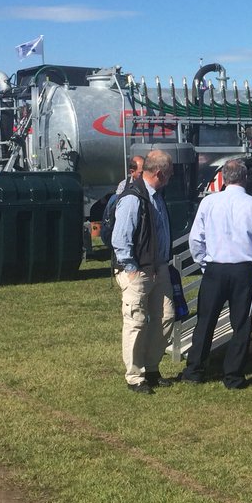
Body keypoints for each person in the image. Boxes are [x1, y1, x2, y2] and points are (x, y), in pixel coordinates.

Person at [183, 158, 252, 389]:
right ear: (245, 178)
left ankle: (195, 369)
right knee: (241, 324)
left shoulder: (209, 203)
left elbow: (196, 238)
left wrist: (204, 263)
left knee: (205, 320)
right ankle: (233, 375)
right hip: (243, 270)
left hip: (215, 269)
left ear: (224, 178)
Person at [111, 150, 176, 393]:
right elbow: (120, 239)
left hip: (159, 268)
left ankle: (151, 368)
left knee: (166, 316)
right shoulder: (132, 198)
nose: (170, 179)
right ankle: (135, 377)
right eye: (168, 174)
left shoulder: (157, 196)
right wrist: (131, 269)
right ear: (159, 173)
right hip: (138, 271)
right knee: (136, 322)